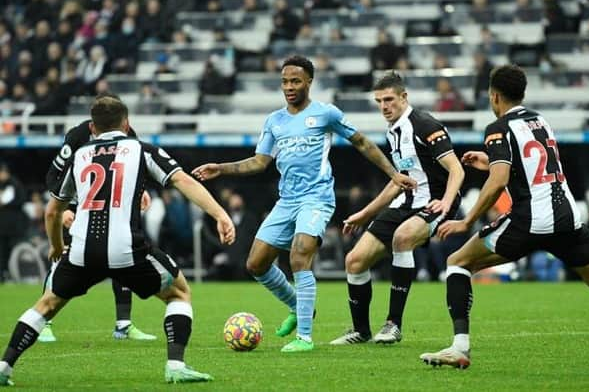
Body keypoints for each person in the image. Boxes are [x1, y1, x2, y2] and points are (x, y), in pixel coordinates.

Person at [0, 95, 236, 387]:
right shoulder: (140, 150)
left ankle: (5, 365)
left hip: (82, 250)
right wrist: (220, 214)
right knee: (178, 293)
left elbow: (52, 211)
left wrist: (56, 246)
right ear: (127, 123)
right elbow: (183, 181)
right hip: (126, 249)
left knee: (47, 304)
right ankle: (176, 366)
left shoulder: (79, 156)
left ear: (93, 127)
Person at [419, 65, 589, 369]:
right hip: (567, 219)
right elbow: (534, 163)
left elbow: (498, 182)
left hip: (530, 220)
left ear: (494, 96)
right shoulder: (540, 120)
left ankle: (460, 347)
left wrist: (467, 220)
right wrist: (491, 160)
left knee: (458, 262)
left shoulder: (498, 128)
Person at [192, 55, 416, 352]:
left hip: (317, 198)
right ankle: (299, 307)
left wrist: (393, 173)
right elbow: (259, 162)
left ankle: (305, 338)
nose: (289, 87)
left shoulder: (326, 114)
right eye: (284, 81)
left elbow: (361, 142)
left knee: (299, 256)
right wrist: (221, 168)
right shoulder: (275, 121)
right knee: (255, 263)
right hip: (287, 201)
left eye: (295, 81)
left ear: (309, 82)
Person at [329, 72, 465, 345]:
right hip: (405, 204)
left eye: (389, 99)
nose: (384, 106)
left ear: (404, 97)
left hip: (435, 203)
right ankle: (360, 331)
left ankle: (394, 324)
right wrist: (365, 213)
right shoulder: (393, 131)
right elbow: (398, 181)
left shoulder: (425, 125)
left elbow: (456, 169)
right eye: (379, 101)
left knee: (402, 238)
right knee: (354, 261)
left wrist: (446, 203)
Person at [38, 105, 156, 342]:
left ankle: (123, 325)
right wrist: (63, 211)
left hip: (112, 204)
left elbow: (135, 170)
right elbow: (55, 175)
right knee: (62, 257)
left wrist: (141, 191)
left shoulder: (128, 135)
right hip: (77, 204)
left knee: (122, 254)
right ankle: (44, 323)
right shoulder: (77, 137)